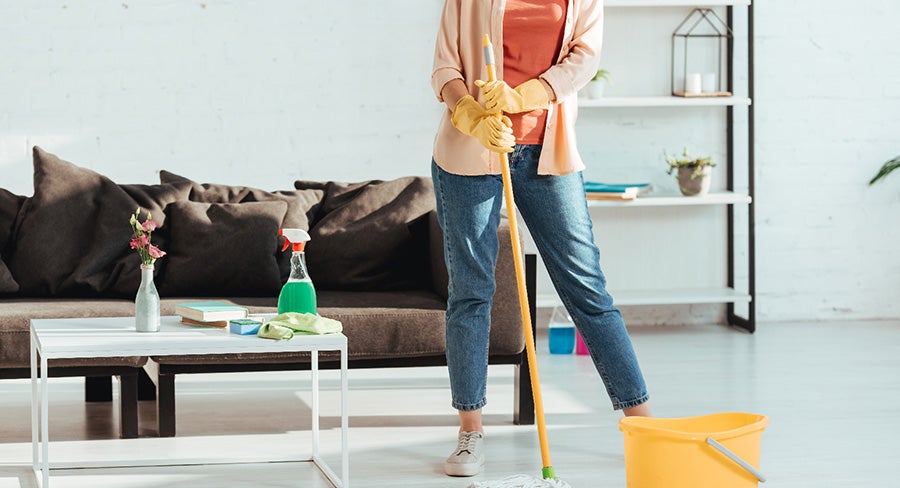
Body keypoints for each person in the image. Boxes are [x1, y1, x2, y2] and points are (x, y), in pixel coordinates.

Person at [429, 0, 652, 478]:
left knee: (587, 290)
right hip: (471, 156)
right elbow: (445, 65)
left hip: (547, 156)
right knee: (472, 291)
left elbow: (583, 57)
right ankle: (470, 432)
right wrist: (468, 112)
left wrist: (522, 95)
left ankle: (642, 424)